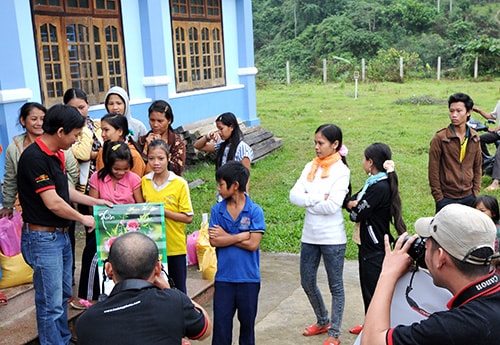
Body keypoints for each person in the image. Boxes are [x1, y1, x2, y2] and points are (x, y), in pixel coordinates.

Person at [17, 104, 112, 345]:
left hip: (60, 236)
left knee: (62, 297)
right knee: (50, 303)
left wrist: (95, 201)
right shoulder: (33, 158)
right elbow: (52, 202)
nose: (77, 140)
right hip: (42, 239)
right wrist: (82, 218)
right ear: (61, 131)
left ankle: (62, 338)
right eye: (75, 135)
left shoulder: (57, 154)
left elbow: (63, 191)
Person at [361, 203, 500, 345]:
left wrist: (388, 273)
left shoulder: (457, 326)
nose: (424, 251)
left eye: (426, 246)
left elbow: (371, 341)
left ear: (440, 258)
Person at [75, 231, 212, 345]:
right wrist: (170, 289)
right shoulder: (174, 302)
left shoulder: (86, 321)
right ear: (158, 269)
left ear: (109, 269)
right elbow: (205, 330)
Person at [289, 124, 350, 345]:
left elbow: (333, 206)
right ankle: (322, 319)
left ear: (335, 145)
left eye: (321, 143)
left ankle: (335, 332)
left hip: (333, 238)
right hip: (310, 235)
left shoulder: (342, 171)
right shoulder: (310, 167)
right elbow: (293, 195)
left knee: (336, 286)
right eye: (315, 142)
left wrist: (309, 198)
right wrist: (317, 198)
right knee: (307, 281)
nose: (316, 147)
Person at [72, 141, 144, 310]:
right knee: (91, 253)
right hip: (104, 227)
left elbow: (140, 205)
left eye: (125, 168)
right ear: (108, 164)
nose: (121, 173)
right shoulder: (97, 178)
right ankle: (89, 297)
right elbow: (92, 206)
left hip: (129, 229)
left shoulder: (134, 179)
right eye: (116, 169)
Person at [346, 142, 406, 335]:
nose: (362, 162)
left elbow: (357, 214)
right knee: (367, 289)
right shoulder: (373, 183)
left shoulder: (378, 188)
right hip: (368, 245)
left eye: (364, 159)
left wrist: (353, 207)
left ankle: (375, 331)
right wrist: (351, 203)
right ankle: (368, 325)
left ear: (370, 162)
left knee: (373, 292)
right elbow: (354, 201)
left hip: (375, 246)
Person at [208, 161, 265, 345]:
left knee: (247, 327)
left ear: (235, 186)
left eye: (221, 184)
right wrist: (241, 235)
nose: (218, 189)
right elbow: (214, 240)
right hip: (224, 279)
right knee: (221, 328)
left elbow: (253, 244)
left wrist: (227, 237)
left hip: (249, 279)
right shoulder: (217, 210)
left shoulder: (255, 211)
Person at [0, 102, 79, 218]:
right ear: (23, 121)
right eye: (34, 119)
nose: (39, 123)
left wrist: (63, 192)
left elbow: (73, 172)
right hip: (34, 210)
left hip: (61, 204)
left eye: (42, 119)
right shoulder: (20, 151)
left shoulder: (60, 144)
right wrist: (8, 204)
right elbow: (10, 179)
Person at [142, 139, 193, 294]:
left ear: (169, 158)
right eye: (151, 158)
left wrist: (163, 212)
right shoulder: (145, 182)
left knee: (177, 291)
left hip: (174, 248)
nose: (156, 163)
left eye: (160, 158)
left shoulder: (179, 183)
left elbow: (188, 217)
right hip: (152, 248)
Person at [429, 92, 481, 212]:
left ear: (468, 112)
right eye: (451, 111)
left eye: (459, 111)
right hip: (446, 197)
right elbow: (433, 170)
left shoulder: (474, 137)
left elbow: (477, 166)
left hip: (469, 196)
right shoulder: (440, 138)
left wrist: (475, 192)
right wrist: (439, 197)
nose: (454, 115)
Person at [194, 112, 253, 201]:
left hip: (236, 195)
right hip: (222, 195)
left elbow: (246, 176)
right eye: (218, 129)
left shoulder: (243, 149)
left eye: (221, 129)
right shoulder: (221, 145)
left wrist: (244, 198)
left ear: (231, 127)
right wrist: (207, 137)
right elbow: (198, 146)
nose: (219, 133)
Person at [63, 88, 103, 194]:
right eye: (73, 109)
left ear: (88, 104)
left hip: (103, 181)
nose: (78, 112)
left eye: (81, 107)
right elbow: (83, 154)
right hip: (83, 185)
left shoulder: (98, 125)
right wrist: (84, 128)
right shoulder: (66, 132)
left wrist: (95, 154)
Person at [137, 100, 186, 176]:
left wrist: (160, 147)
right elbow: (137, 168)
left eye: (160, 121)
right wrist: (146, 148)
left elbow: (177, 170)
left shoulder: (176, 144)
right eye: (152, 120)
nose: (155, 124)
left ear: (169, 120)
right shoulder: (142, 141)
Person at [96, 113, 146, 177]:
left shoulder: (133, 155)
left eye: (106, 130)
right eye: (102, 130)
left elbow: (136, 183)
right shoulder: (102, 152)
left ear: (120, 131)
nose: (102, 134)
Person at [473, 100, 500, 191]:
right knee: (478, 139)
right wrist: (479, 110)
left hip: (497, 131)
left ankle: (495, 182)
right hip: (498, 133)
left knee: (499, 155)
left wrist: (496, 128)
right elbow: (492, 117)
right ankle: (487, 162)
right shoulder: (499, 102)